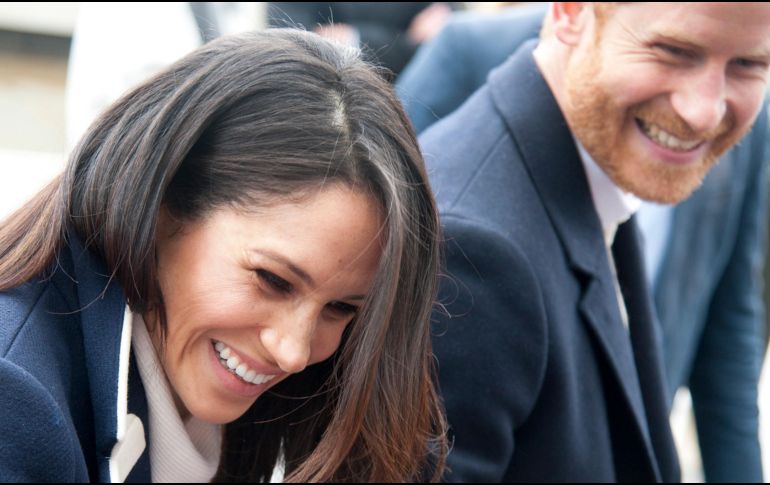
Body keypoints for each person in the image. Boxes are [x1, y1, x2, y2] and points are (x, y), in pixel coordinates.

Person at [0, 29, 447, 482]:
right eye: (273, 280)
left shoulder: (288, 388)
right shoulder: (14, 402)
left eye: (341, 308)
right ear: (160, 205)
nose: (293, 353)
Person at [398, 4, 770, 482]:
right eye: (672, 51)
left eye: (749, 64)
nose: (703, 112)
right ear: (570, 13)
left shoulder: (594, 167)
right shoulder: (473, 256)